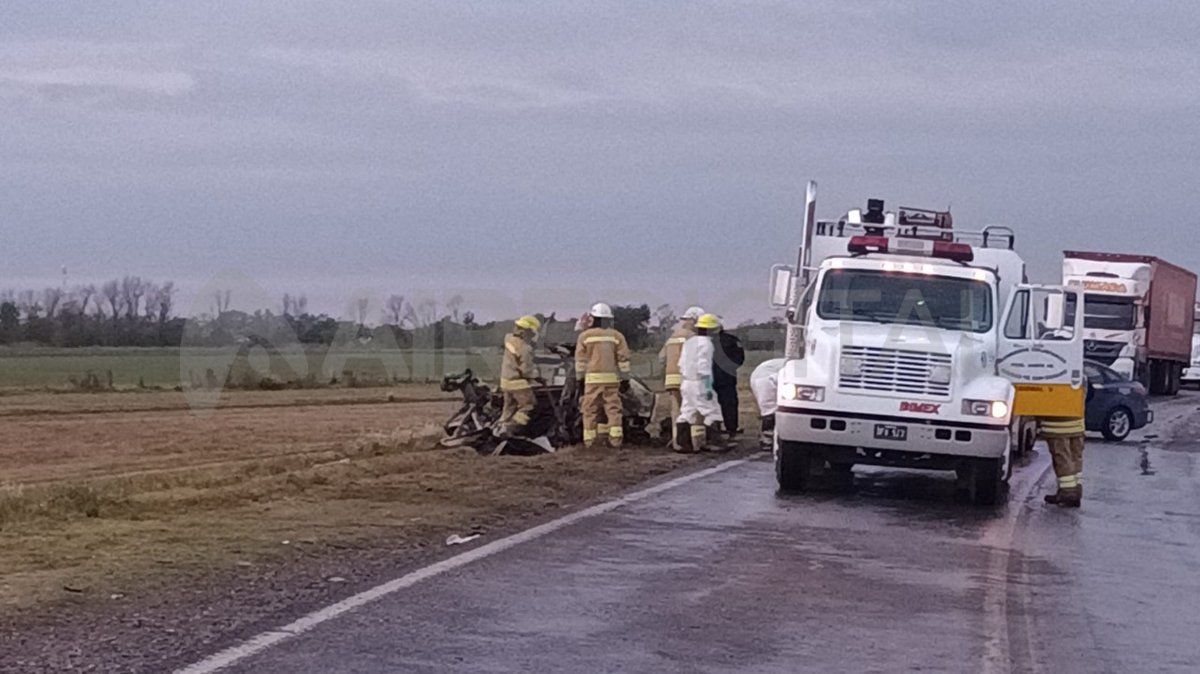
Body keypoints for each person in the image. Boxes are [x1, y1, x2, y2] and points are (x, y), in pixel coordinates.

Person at [575, 303, 631, 448]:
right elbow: (623, 360)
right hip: (611, 380)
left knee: (589, 410)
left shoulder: (584, 336)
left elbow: (581, 362)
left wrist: (579, 379)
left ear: (593, 318)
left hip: (592, 380)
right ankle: (616, 441)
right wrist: (625, 380)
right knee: (613, 410)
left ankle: (590, 442)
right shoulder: (617, 336)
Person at [676, 313, 727, 452]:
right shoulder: (707, 344)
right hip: (700, 382)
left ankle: (683, 444)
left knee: (687, 411)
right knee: (712, 410)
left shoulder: (689, 342)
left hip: (686, 382)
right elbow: (703, 367)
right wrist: (708, 387)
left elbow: (681, 364)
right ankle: (715, 442)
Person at [659, 306, 704, 451]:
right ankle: (696, 443)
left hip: (671, 379)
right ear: (694, 321)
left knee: (676, 412)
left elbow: (661, 358)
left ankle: (677, 443)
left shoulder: (672, 337)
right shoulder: (694, 337)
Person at [498, 315, 541, 437]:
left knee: (509, 408)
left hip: (505, 382)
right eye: (531, 333)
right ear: (526, 331)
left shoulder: (508, 339)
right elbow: (526, 370)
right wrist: (537, 376)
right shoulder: (525, 348)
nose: (532, 336)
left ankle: (500, 427)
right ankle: (511, 428)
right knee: (528, 406)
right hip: (518, 383)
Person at [1041, 414, 1085, 507]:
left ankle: (1067, 493)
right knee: (1075, 457)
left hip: (1058, 425)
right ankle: (1075, 491)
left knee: (1062, 458)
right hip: (1077, 423)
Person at [713, 324, 745, 436]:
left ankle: (714, 429)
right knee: (729, 404)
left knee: (711, 404)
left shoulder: (705, 341)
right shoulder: (733, 340)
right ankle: (731, 429)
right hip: (727, 378)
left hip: (709, 378)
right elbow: (740, 358)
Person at [750, 358, 787, 452]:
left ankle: (770, 437)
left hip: (761, 374)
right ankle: (767, 439)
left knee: (771, 408)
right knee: (770, 410)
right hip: (765, 377)